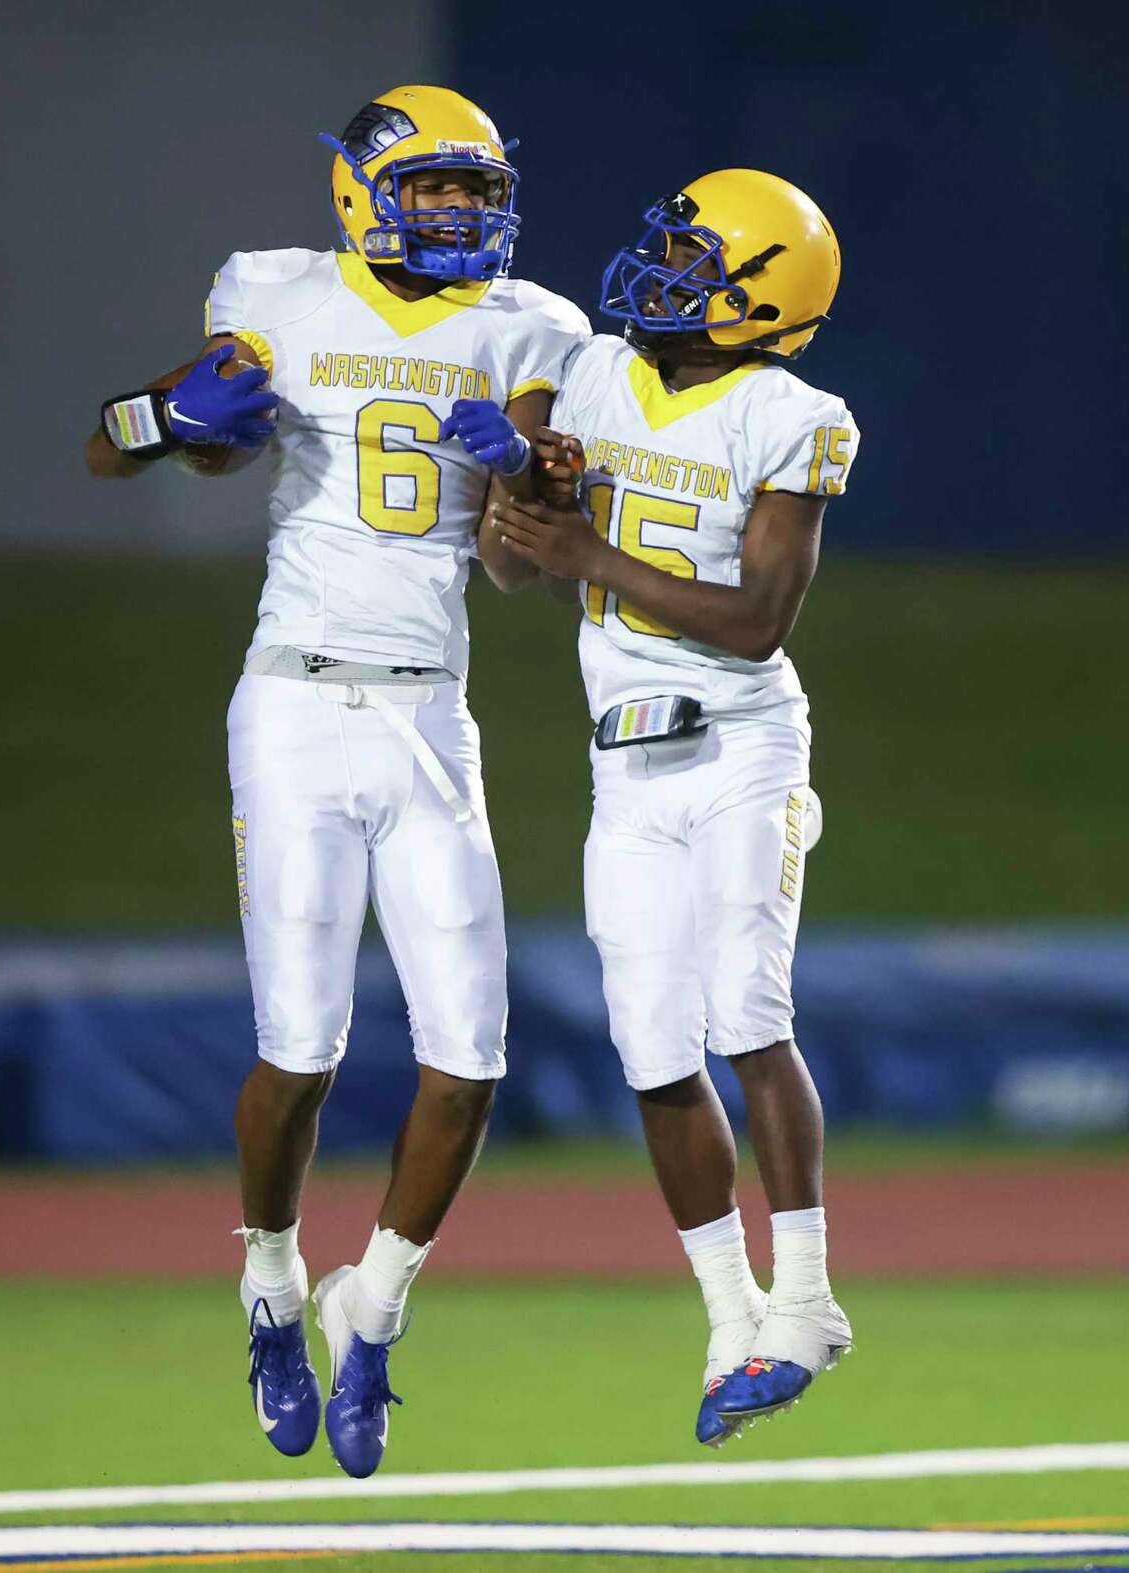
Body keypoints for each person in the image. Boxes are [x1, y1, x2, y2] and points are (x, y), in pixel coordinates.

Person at [84, 84, 589, 1476]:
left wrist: (526, 487)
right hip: (297, 700)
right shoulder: (274, 291)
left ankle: (372, 1313)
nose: (466, 213)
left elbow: (527, 561)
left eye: (479, 190)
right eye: (436, 189)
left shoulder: (530, 328)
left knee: (470, 1059)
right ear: (366, 192)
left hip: (433, 712)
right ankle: (267, 1281)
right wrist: (163, 414)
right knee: (300, 1051)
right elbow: (146, 442)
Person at [459, 169, 858, 1445]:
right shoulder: (588, 376)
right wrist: (530, 505)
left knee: (749, 1009)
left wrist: (594, 555)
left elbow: (754, 625)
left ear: (761, 296)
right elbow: (509, 567)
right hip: (620, 762)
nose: (663, 272)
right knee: (650, 1047)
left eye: (696, 259)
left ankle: (807, 1301)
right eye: (670, 249)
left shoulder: (794, 414)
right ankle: (731, 1319)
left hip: (742, 744)